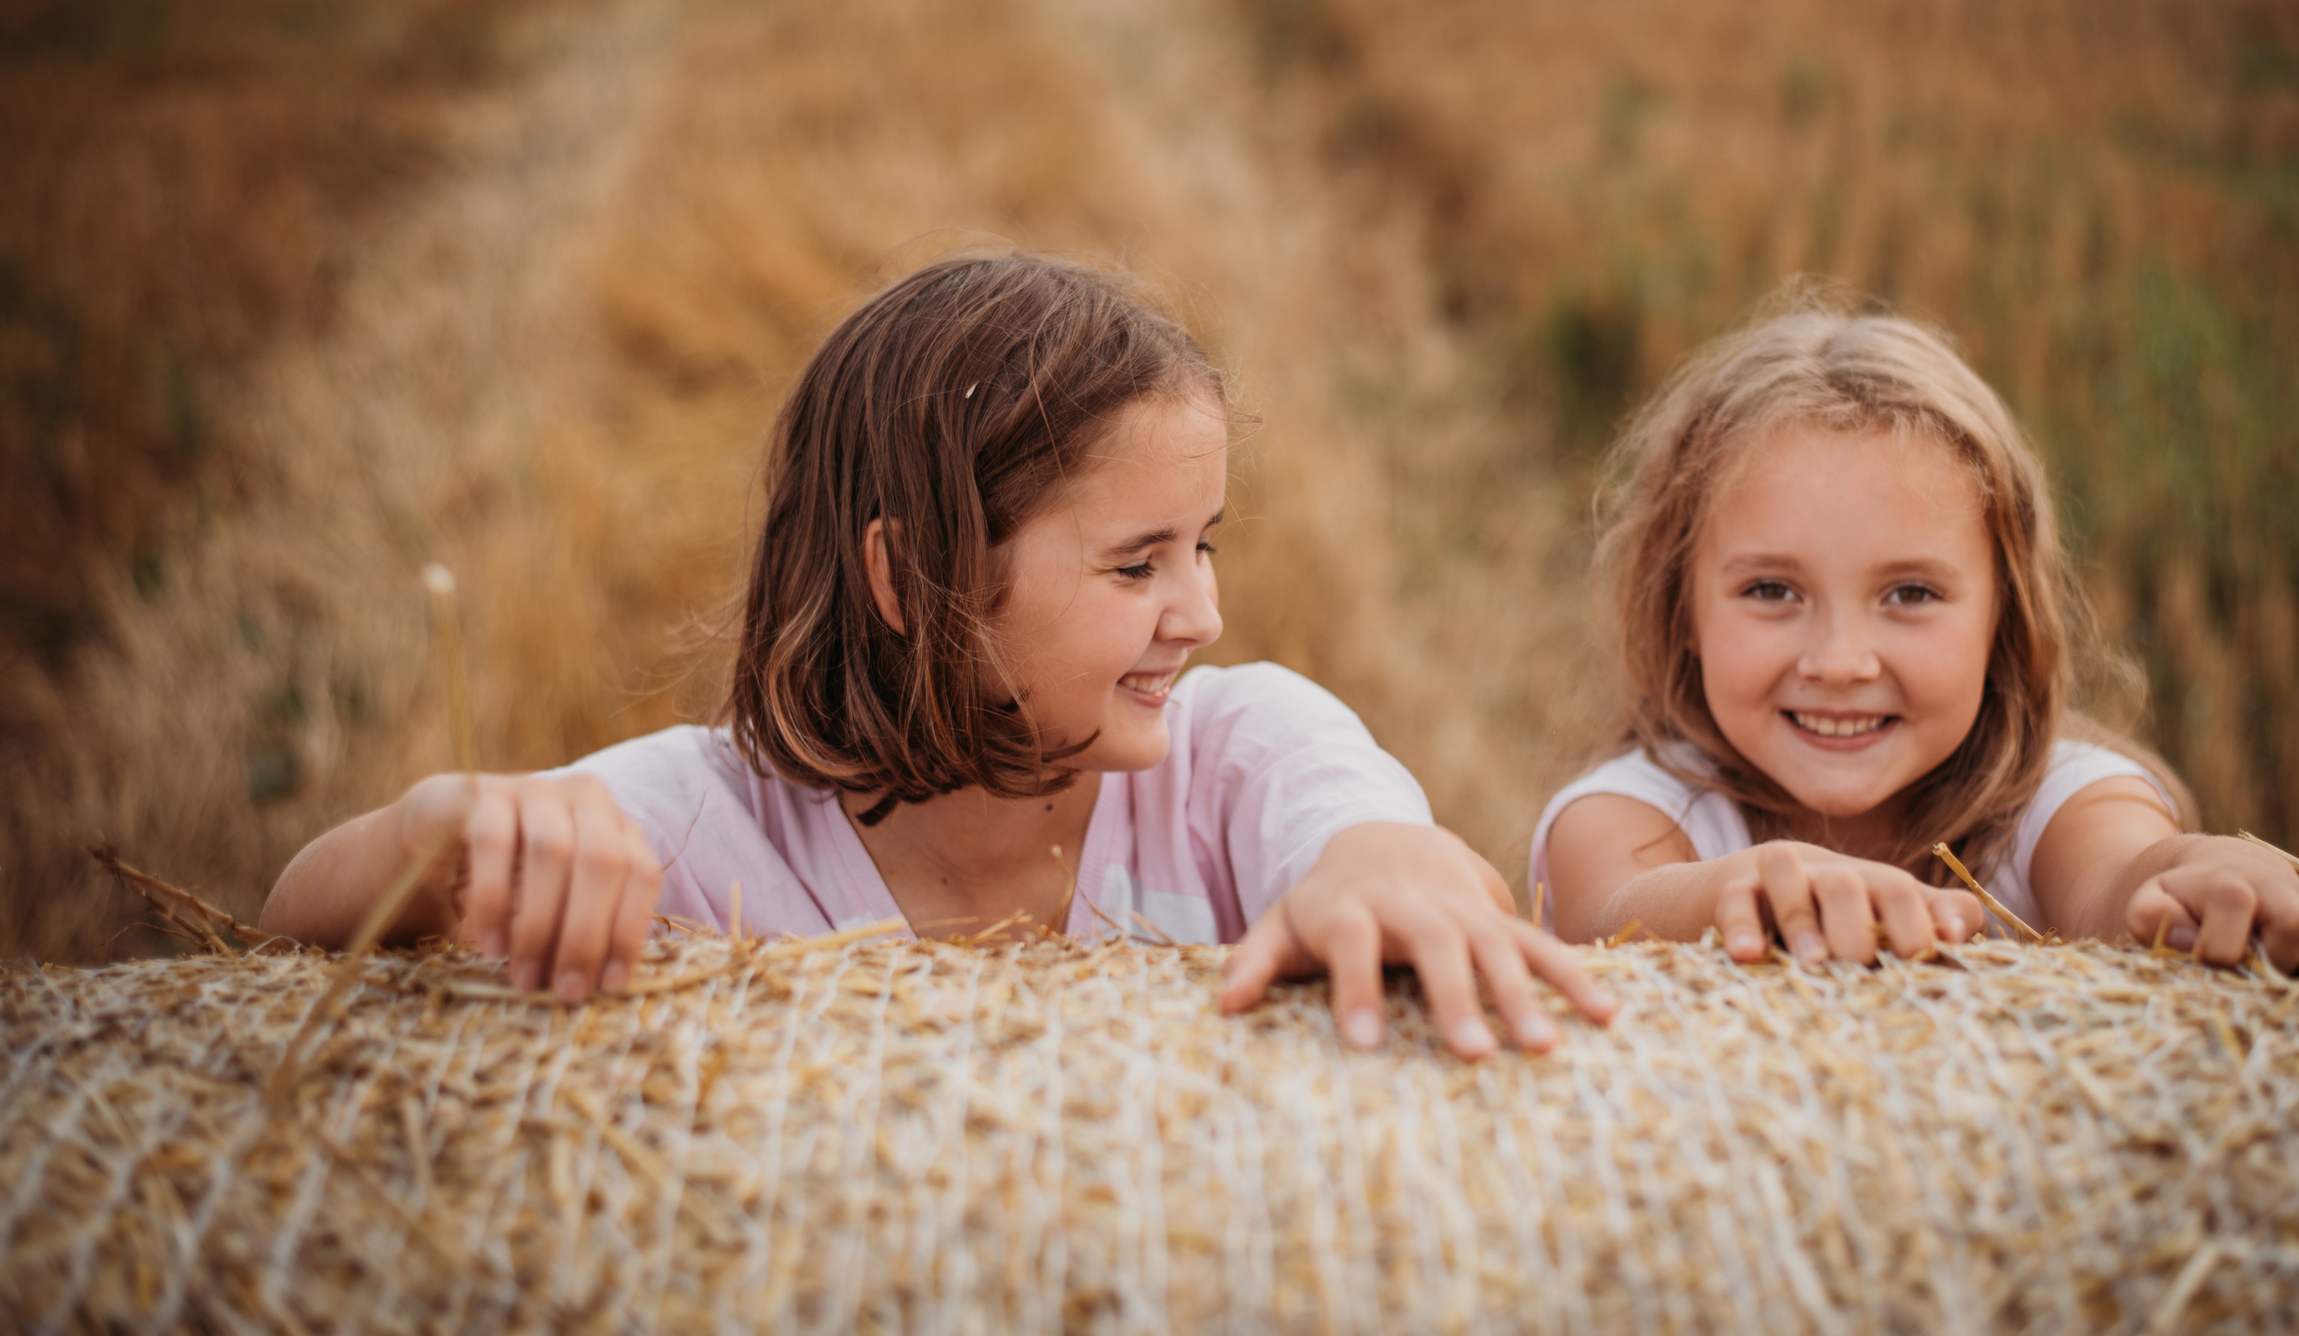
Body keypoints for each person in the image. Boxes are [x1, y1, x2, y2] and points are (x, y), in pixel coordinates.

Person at [265, 253, 1615, 1058]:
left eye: (1204, 545)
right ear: (909, 577)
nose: (1200, 612)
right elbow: (283, 938)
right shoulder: (695, 823)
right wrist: (439, 838)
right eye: (1136, 563)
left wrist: (1386, 871)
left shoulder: (1237, 754)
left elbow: (1387, 847)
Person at [1535, 291, 2299, 972]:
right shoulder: (1632, 811)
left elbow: (2123, 874)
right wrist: (1740, 889)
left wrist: (2205, 880)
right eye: (1771, 589)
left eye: (1910, 593)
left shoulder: (2058, 799)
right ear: (1682, 610)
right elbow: (1614, 910)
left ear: (2004, 616)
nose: (1840, 661)